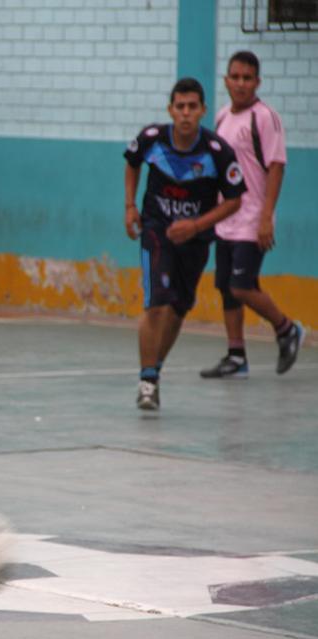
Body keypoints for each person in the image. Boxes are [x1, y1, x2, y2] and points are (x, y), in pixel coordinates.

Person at [123, 78, 245, 411]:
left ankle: (155, 370)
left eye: (193, 107)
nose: (186, 113)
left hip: (195, 241)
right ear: (170, 110)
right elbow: (132, 163)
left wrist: (196, 226)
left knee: (178, 309)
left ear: (203, 110)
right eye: (180, 107)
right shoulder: (151, 139)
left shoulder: (218, 152)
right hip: (156, 232)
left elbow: (234, 200)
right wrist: (130, 206)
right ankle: (147, 381)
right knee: (157, 304)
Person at [200, 50, 306, 379]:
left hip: (253, 219)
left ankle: (287, 329)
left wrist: (266, 217)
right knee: (225, 286)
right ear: (227, 80)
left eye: (248, 78)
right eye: (236, 77)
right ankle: (236, 355)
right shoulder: (221, 118)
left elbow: (276, 167)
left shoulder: (264, 117)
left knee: (242, 286)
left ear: (257, 82)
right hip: (226, 217)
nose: (241, 83)